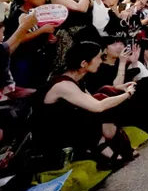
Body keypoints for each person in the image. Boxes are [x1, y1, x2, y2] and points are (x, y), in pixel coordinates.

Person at [33, 41, 137, 170]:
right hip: (54, 136)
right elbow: (97, 106)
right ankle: (105, 146)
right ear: (83, 63)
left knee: (105, 92)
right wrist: (128, 94)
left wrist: (120, 89)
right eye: (98, 58)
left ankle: (111, 144)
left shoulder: (77, 80)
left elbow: (92, 99)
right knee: (96, 105)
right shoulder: (63, 85)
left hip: (70, 127)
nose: (101, 61)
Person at [48, 0, 100, 73]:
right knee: (67, 66)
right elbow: (81, 8)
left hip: (86, 33)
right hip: (70, 35)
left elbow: (94, 8)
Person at [3, 0, 56, 90]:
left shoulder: (40, 13)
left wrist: (49, 37)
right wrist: (41, 31)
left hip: (38, 57)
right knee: (24, 88)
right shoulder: (16, 16)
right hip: (22, 60)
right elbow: (17, 39)